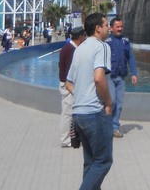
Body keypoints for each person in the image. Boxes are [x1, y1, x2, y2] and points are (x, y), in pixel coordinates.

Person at [66, 13, 113, 190]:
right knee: (103, 161)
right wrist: (108, 103)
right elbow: (99, 79)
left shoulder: (79, 48)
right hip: (94, 113)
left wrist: (81, 95)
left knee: (91, 163)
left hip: (78, 113)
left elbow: (68, 82)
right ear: (98, 28)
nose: (108, 27)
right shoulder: (101, 47)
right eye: (106, 24)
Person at [106, 16, 138, 138]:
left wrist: (134, 73)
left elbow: (130, 57)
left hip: (121, 77)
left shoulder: (125, 41)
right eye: (117, 26)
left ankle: (115, 128)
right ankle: (107, 125)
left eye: (121, 26)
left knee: (119, 104)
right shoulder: (106, 42)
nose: (120, 29)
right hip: (109, 76)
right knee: (112, 101)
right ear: (111, 28)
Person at [59, 27, 87, 147]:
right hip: (68, 86)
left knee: (69, 112)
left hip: (66, 84)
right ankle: (65, 140)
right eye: (84, 36)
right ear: (80, 37)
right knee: (67, 113)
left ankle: (72, 136)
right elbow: (72, 71)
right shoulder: (71, 50)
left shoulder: (68, 48)